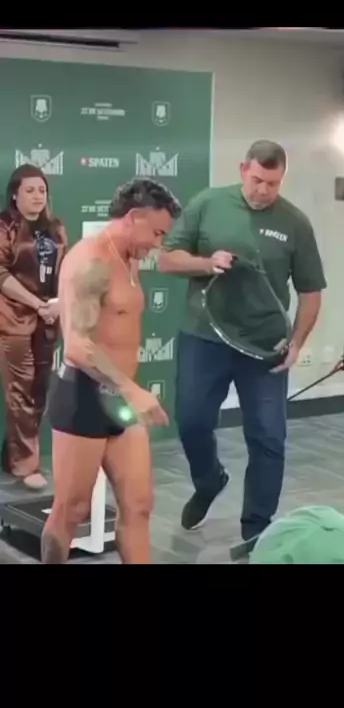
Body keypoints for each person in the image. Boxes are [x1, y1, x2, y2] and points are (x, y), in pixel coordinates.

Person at [159, 139, 326, 551]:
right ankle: (208, 480)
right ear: (242, 170)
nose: (264, 191)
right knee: (192, 421)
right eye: (257, 180)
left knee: (268, 436)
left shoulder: (295, 222)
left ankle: (256, 530)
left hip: (265, 346)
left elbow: (311, 291)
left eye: (273, 183)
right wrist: (207, 262)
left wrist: (297, 343)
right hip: (204, 335)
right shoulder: (208, 203)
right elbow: (167, 259)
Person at [41, 178, 181, 564]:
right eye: (156, 233)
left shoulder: (129, 258)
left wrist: (127, 390)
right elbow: (77, 345)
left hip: (120, 400)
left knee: (139, 505)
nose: (158, 243)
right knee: (71, 510)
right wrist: (131, 390)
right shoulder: (91, 261)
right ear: (133, 217)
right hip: (83, 396)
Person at [0, 164, 68, 490]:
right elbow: (1, 274)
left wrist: (56, 304)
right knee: (20, 389)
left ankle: (13, 454)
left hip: (48, 319)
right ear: (15, 195)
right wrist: (36, 303)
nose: (37, 196)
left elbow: (67, 270)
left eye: (42, 190)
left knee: (39, 390)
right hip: (12, 318)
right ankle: (26, 465)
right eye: (29, 190)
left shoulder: (55, 228)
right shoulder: (5, 226)